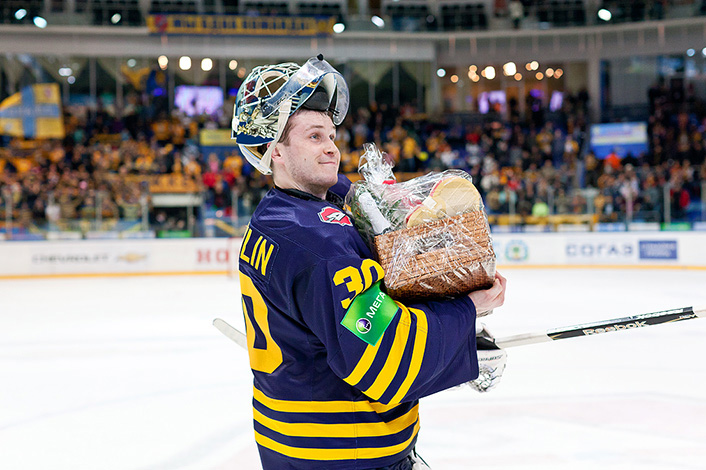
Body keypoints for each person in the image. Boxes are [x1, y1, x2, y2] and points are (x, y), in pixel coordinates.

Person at [231, 55, 508, 470]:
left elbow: (346, 322)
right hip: (347, 456)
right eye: (313, 137)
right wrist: (464, 316)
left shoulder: (276, 217)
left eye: (331, 134)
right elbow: (383, 353)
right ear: (276, 151)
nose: (331, 147)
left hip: (298, 448)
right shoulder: (319, 243)